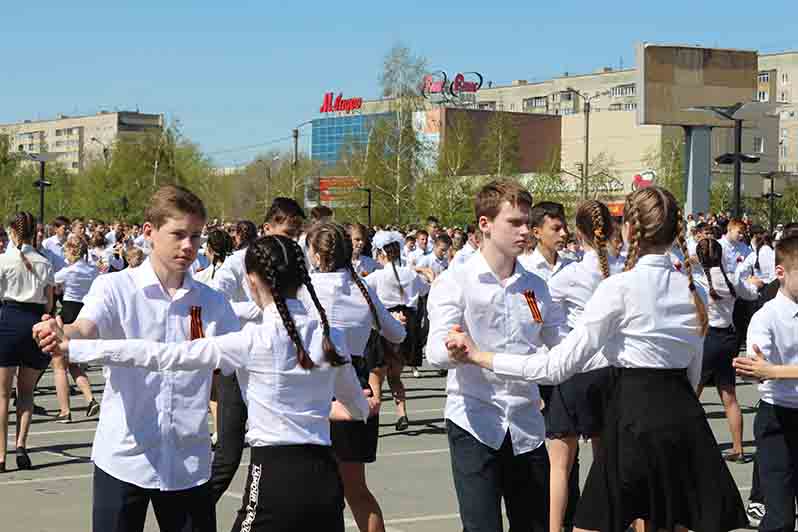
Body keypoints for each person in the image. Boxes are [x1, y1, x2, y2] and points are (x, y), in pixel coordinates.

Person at [445, 186, 748, 532]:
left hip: (633, 414)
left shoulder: (619, 287)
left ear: (630, 230)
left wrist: (482, 356)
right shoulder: (692, 289)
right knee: (671, 520)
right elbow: (693, 373)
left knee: (592, 525)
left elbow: (556, 366)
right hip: (684, 416)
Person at [40, 235, 370, 532]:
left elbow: (157, 355)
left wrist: (74, 346)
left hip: (274, 476)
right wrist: (329, 409)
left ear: (252, 282)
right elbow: (356, 409)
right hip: (325, 478)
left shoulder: (251, 340)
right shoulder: (332, 337)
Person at [33, 185, 240, 532]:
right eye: (178, 234)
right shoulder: (115, 287)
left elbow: (235, 362)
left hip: (187, 464)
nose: (189, 246)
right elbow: (87, 326)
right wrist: (63, 332)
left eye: (195, 236)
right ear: (149, 232)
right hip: (124, 457)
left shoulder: (213, 301)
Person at [427, 180, 567, 532]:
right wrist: (454, 351)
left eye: (527, 222)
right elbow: (432, 351)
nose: (525, 231)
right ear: (485, 225)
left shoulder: (536, 286)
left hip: (527, 424)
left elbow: (560, 349)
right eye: (514, 223)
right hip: (474, 421)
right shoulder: (456, 280)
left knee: (533, 525)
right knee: (481, 527)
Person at [305, 222, 406, 532]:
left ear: (319, 256)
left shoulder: (306, 288)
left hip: (315, 385)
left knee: (315, 491)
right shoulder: (362, 289)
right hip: (357, 383)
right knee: (356, 489)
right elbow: (397, 333)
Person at [209, 197, 306, 502]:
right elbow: (215, 297)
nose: (293, 239)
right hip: (242, 362)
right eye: (288, 232)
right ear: (267, 228)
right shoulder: (240, 262)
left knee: (281, 447)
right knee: (228, 455)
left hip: (281, 361)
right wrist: (257, 309)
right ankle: (191, 518)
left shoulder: (296, 260)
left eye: (297, 233)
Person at [544, 200, 621, 532]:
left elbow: (539, 311)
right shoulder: (623, 270)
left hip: (575, 370)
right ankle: (607, 520)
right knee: (606, 461)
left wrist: (558, 340)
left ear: (579, 232)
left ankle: (554, 527)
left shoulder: (570, 274)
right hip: (611, 370)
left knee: (560, 464)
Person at [733, 235, 798, 532]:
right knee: (780, 517)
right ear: (781, 273)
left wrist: (774, 370)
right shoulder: (765, 317)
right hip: (778, 419)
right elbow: (759, 368)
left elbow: (768, 369)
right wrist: (763, 370)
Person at [693, 238, 758, 463]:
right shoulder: (730, 278)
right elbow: (750, 294)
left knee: (691, 396)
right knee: (729, 396)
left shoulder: (698, 279)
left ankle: (685, 448)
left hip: (708, 337)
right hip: (729, 336)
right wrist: (754, 283)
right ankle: (738, 448)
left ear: (700, 258)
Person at [0, 212, 55, 472]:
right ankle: (21, 445)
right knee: (26, 392)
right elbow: (49, 303)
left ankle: (0, 454)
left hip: (9, 319)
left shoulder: (3, 260)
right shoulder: (44, 262)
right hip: (34, 322)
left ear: (12, 231)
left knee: (2, 394)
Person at [366, 230, 431, 431]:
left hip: (385, 322)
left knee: (376, 375)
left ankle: (374, 415)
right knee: (395, 374)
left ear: (382, 253)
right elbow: (425, 290)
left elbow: (363, 293)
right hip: (407, 323)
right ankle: (402, 413)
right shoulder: (410, 274)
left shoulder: (377, 276)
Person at [52, 235, 101, 423]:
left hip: (69, 314)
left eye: (66, 251)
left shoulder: (69, 271)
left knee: (59, 364)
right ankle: (90, 399)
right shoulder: (92, 270)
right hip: (86, 314)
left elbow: (51, 282)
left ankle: (65, 410)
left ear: (72, 251)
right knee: (73, 363)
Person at [519, 201, 571, 277]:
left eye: (565, 228)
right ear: (536, 233)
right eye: (556, 229)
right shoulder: (523, 268)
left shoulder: (572, 265)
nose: (564, 233)